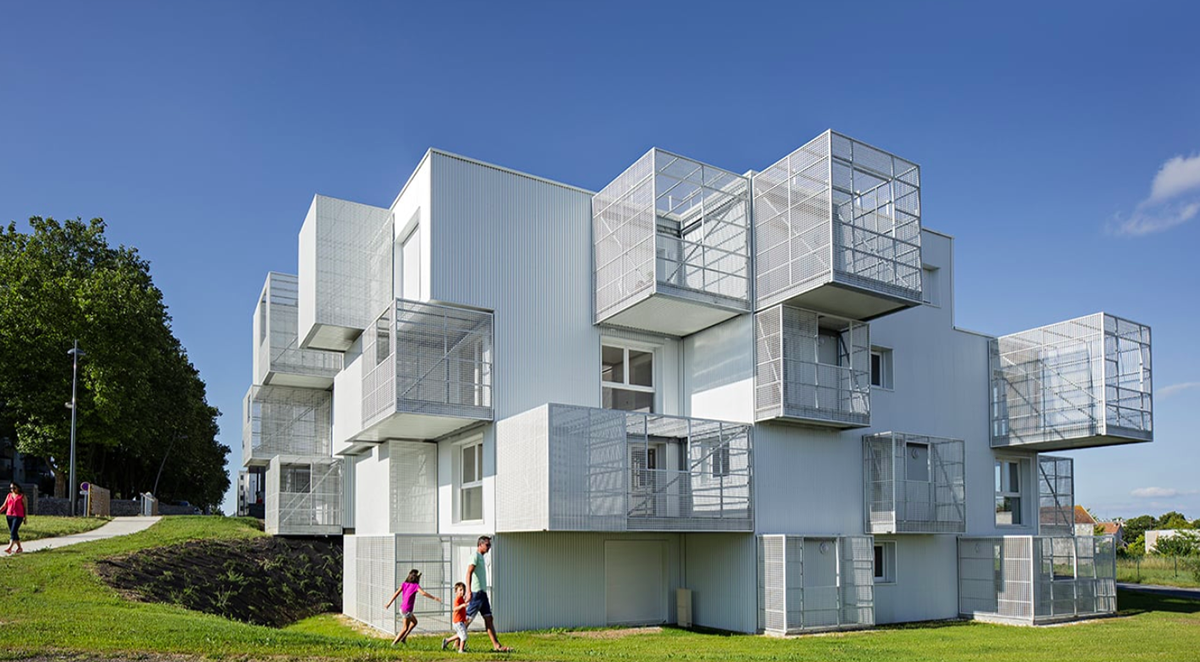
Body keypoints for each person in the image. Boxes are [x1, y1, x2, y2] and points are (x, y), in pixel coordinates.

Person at [465, 535, 511, 652]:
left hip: (483, 594)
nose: (489, 547)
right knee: (467, 620)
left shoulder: (481, 557)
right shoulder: (475, 556)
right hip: (476, 593)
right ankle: (454, 641)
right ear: (480, 545)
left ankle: (497, 646)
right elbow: (469, 573)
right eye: (487, 545)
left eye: (490, 545)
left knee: (489, 618)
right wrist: (469, 591)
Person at [384, 568, 443, 645]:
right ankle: (394, 643)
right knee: (405, 628)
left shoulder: (404, 584)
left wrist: (389, 603)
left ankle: (404, 638)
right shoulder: (416, 586)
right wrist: (434, 598)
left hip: (403, 608)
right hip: (407, 610)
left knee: (414, 622)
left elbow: (396, 594)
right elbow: (423, 593)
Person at [441, 582, 469, 652]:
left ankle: (447, 641)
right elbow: (455, 609)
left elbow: (462, 611)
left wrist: (465, 618)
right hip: (458, 622)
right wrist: (462, 606)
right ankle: (461, 650)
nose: (462, 592)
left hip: (460, 621)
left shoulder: (462, 599)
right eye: (460, 590)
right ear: (456, 591)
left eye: (464, 590)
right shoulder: (457, 599)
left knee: (460, 634)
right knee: (464, 636)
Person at [2, 483, 27, 554]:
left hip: (18, 516)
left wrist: (25, 518)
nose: (12, 490)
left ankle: (9, 548)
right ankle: (19, 548)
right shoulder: (9, 495)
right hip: (9, 515)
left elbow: (25, 508)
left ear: (18, 488)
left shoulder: (22, 496)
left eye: (14, 488)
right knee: (14, 532)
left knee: (13, 531)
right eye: (11, 488)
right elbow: (4, 505)